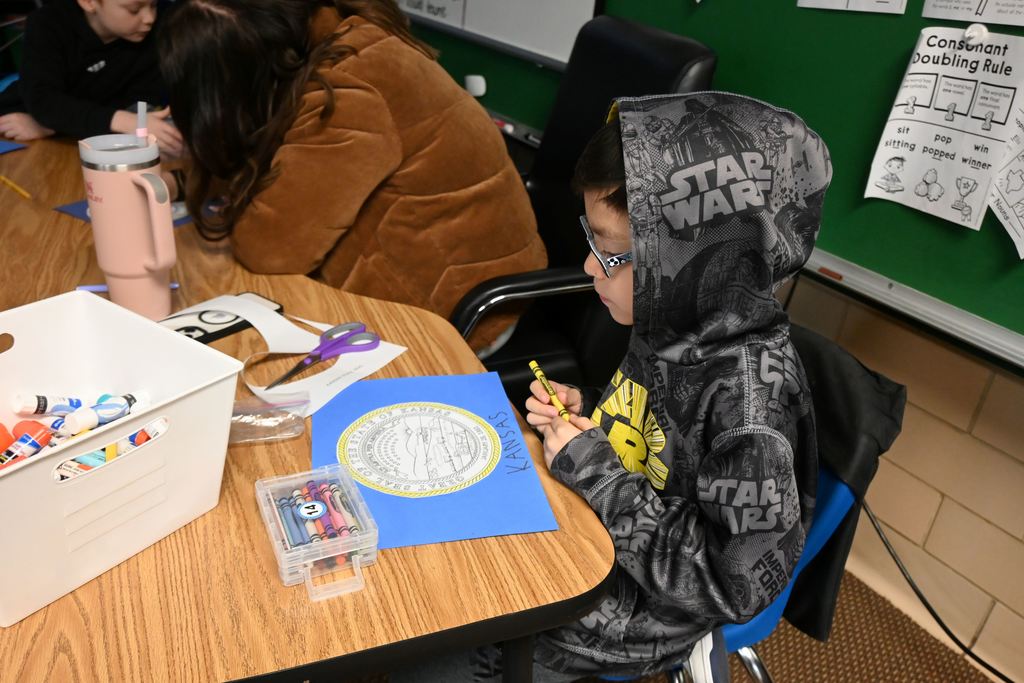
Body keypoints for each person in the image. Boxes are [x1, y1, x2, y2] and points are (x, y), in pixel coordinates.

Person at [393, 91, 832, 681]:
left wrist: (594, 467)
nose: (589, 268)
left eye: (615, 253)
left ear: (703, 262)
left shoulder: (751, 408)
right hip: (603, 536)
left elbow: (731, 584)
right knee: (442, 555)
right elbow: (650, 434)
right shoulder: (669, 319)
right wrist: (591, 419)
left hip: (642, 610)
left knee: (439, 646)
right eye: (593, 238)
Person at [157, 0, 547, 352]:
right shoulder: (338, 35)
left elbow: (271, 246)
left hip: (456, 314)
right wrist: (183, 181)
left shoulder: (351, 87)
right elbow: (269, 151)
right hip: (449, 284)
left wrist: (212, 170)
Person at [0, 0, 182, 155]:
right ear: (89, 2)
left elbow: (143, 103)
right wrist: (122, 120)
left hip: (72, 133)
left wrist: (54, 127)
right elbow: (43, 99)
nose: (150, 18)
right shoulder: (48, 24)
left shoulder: (160, 31)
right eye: (133, 10)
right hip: (19, 122)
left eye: (153, 5)